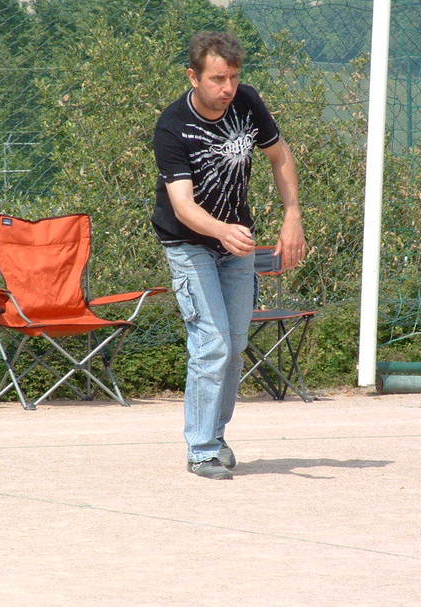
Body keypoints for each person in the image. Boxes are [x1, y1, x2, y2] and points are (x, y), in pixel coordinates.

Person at [151, 31, 306, 480]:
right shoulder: (173, 126)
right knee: (211, 344)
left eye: (234, 77)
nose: (228, 88)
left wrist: (292, 215)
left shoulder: (248, 103)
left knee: (234, 346)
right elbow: (182, 204)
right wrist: (221, 231)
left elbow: (279, 156)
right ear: (193, 76)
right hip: (189, 245)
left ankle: (215, 437)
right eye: (218, 78)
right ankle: (199, 449)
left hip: (236, 244)